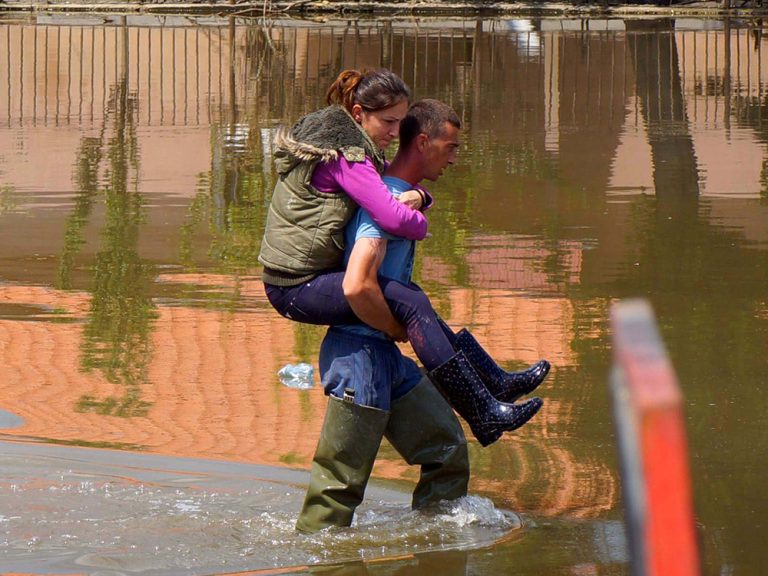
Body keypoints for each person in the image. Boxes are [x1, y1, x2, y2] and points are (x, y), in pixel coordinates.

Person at [259, 69, 551, 443]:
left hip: (306, 278)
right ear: (359, 112)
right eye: (389, 121)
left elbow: (389, 194)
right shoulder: (349, 156)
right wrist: (422, 220)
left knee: (416, 303)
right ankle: (483, 411)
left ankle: (493, 387)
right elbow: (389, 213)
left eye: (400, 122)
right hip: (295, 286)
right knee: (411, 303)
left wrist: (421, 197)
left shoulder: (355, 147)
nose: (395, 133)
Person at [295, 100, 543, 532]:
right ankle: (319, 559)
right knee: (338, 490)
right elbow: (358, 284)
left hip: (386, 358)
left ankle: (435, 547)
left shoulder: (400, 195)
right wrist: (396, 327)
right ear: (424, 142)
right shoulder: (385, 200)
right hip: (357, 357)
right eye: (450, 147)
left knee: (446, 450)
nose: (454, 157)